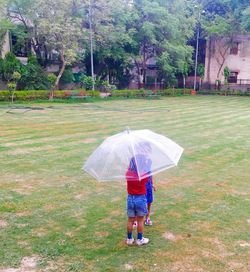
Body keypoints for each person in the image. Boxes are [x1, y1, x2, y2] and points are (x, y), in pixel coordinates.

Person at [126, 156, 149, 246]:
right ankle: (139, 239)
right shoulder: (143, 174)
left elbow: (130, 168)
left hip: (130, 198)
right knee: (140, 220)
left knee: (130, 220)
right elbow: (147, 180)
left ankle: (129, 239)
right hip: (140, 198)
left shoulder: (128, 173)